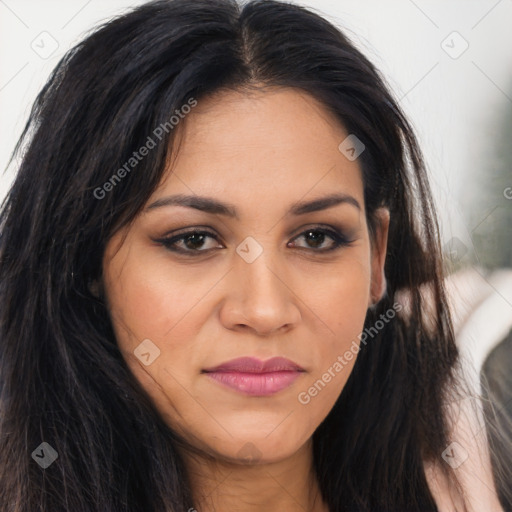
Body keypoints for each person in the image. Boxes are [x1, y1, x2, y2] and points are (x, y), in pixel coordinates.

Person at [0, 0, 508, 510]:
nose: (265, 311)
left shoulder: (482, 461)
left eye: (316, 238)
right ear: (89, 263)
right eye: (194, 240)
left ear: (377, 257)